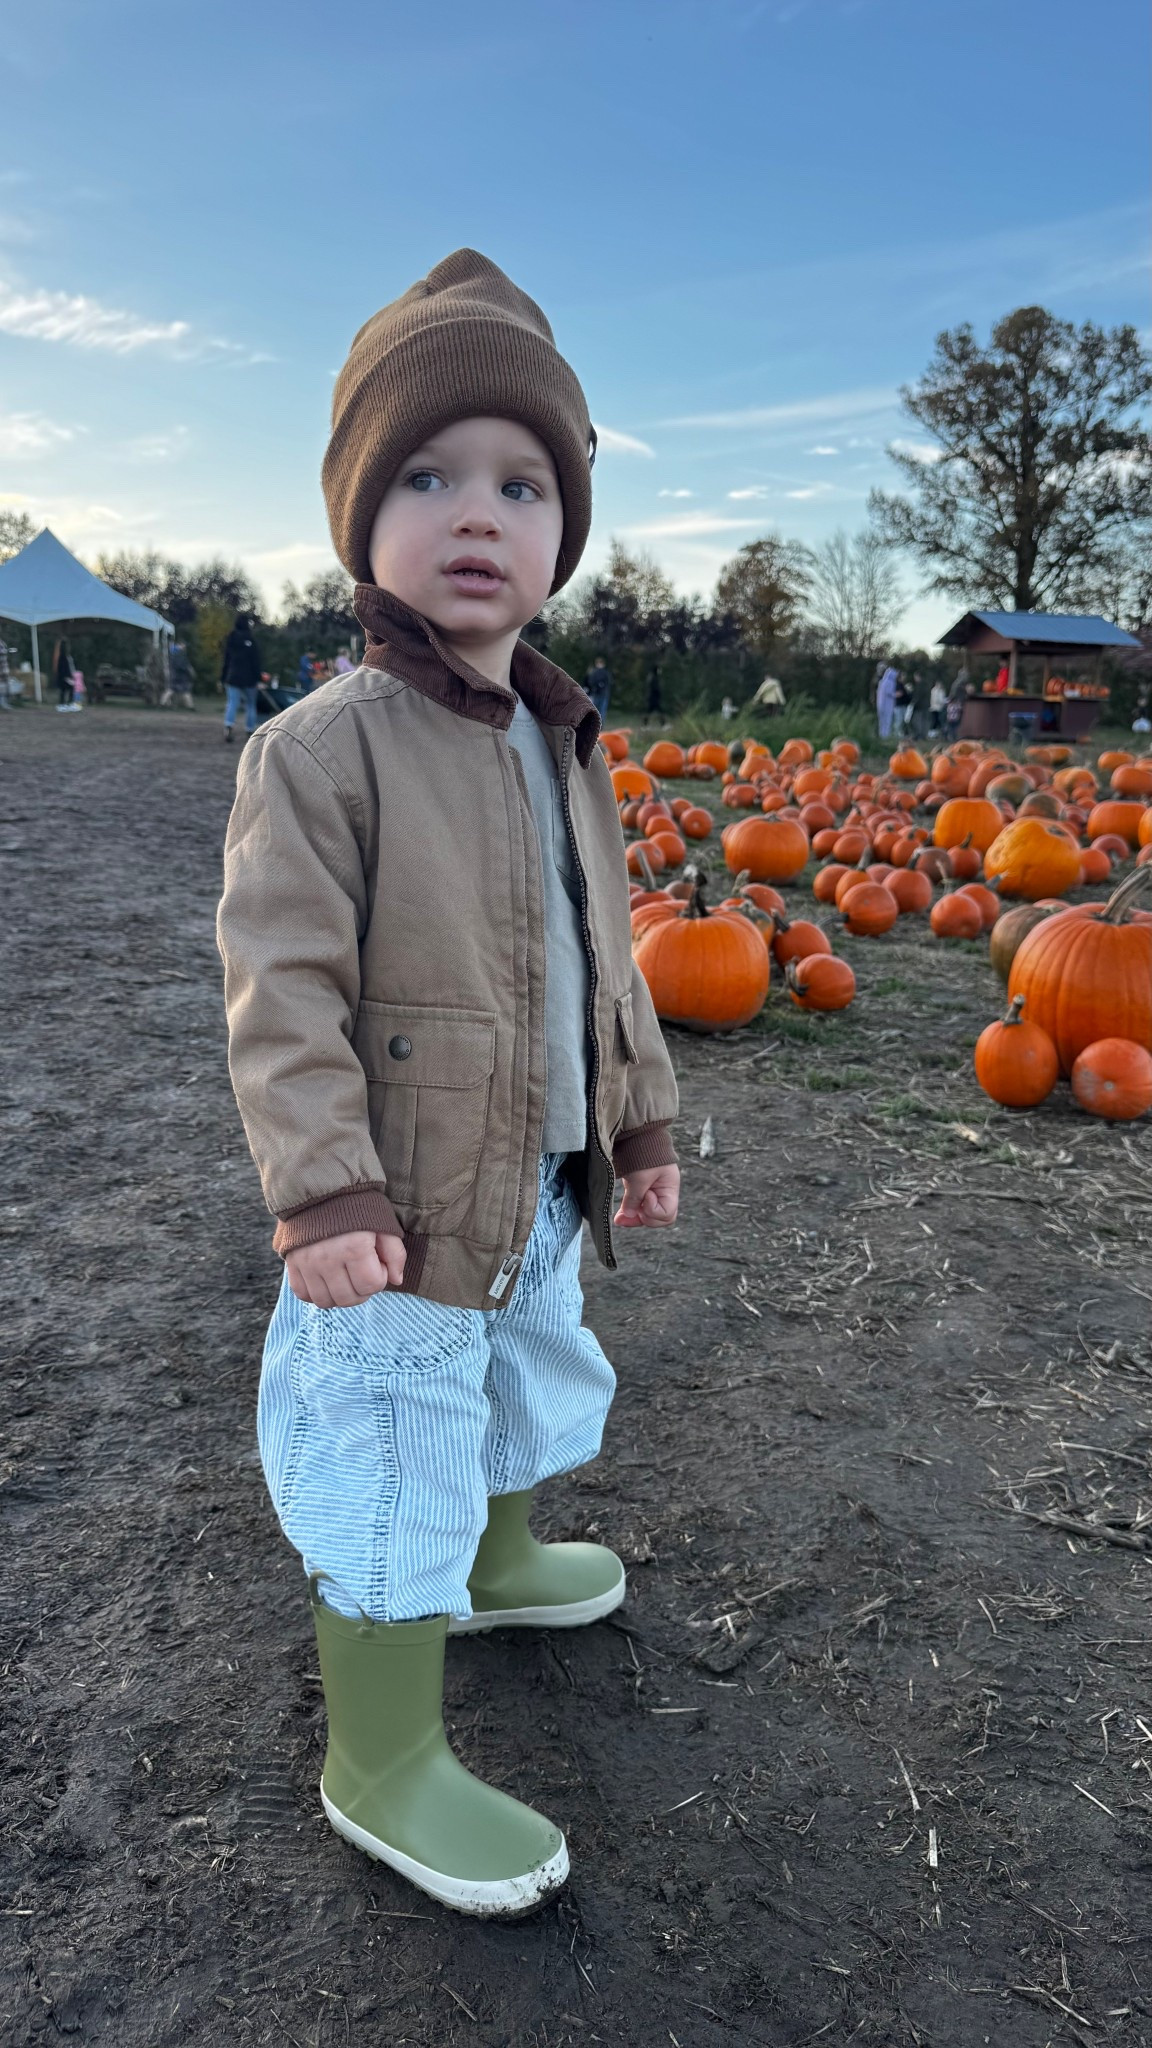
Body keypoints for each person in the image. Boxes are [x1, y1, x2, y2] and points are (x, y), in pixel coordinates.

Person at [216, 249, 680, 1917]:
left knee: (520, 1377)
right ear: (362, 519)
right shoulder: (320, 748)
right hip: (400, 1200)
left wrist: (633, 1116)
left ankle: (496, 1561)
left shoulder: (561, 739)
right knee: (393, 1442)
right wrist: (321, 1185)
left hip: (535, 1177)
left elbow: (601, 952)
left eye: (518, 481)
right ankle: (382, 1752)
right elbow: (283, 989)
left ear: (562, 532)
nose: (474, 510)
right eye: (426, 474)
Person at [220, 612, 263, 742]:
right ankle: (250, 729)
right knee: (250, 704)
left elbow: (226, 659)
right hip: (249, 678)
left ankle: (228, 726)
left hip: (233, 676)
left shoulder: (231, 638)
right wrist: (258, 678)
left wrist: (223, 677)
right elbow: (255, 661)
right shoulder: (251, 639)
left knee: (232, 703)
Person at [161, 639, 196, 709]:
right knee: (185, 691)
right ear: (180, 645)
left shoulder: (173, 653)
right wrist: (188, 670)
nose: (185, 647)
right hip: (180, 676)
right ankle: (191, 706)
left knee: (171, 690)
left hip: (175, 675)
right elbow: (181, 665)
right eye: (183, 645)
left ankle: (162, 703)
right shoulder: (179, 654)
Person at [583, 654, 612, 721]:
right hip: (596, 694)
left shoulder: (605, 673)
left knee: (602, 711)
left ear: (603, 664)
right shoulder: (594, 672)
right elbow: (591, 681)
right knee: (595, 711)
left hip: (603, 694)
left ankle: (600, 726)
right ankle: (595, 724)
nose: (599, 664)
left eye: (600, 663)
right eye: (598, 663)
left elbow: (608, 683)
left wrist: (602, 685)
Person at [875, 661, 898, 739]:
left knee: (881, 721)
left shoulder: (882, 681)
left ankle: (882, 734)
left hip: (880, 704)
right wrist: (896, 694)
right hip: (887, 704)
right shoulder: (890, 682)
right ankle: (885, 736)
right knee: (887, 721)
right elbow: (889, 693)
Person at [53, 636, 75, 709]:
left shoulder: (66, 656)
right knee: (67, 689)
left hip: (66, 676)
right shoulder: (62, 657)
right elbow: (62, 668)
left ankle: (66, 703)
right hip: (65, 676)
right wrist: (66, 676)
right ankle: (66, 703)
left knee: (66, 690)